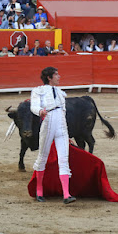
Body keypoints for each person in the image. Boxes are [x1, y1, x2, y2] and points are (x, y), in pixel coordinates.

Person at [30, 67, 75, 204]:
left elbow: (63, 113)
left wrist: (66, 133)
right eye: (56, 74)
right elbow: (34, 106)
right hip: (48, 122)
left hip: (61, 126)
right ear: (49, 77)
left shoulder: (61, 93)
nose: (59, 77)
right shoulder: (38, 91)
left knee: (64, 159)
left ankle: (66, 195)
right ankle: (39, 191)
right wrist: (40, 111)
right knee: (42, 157)